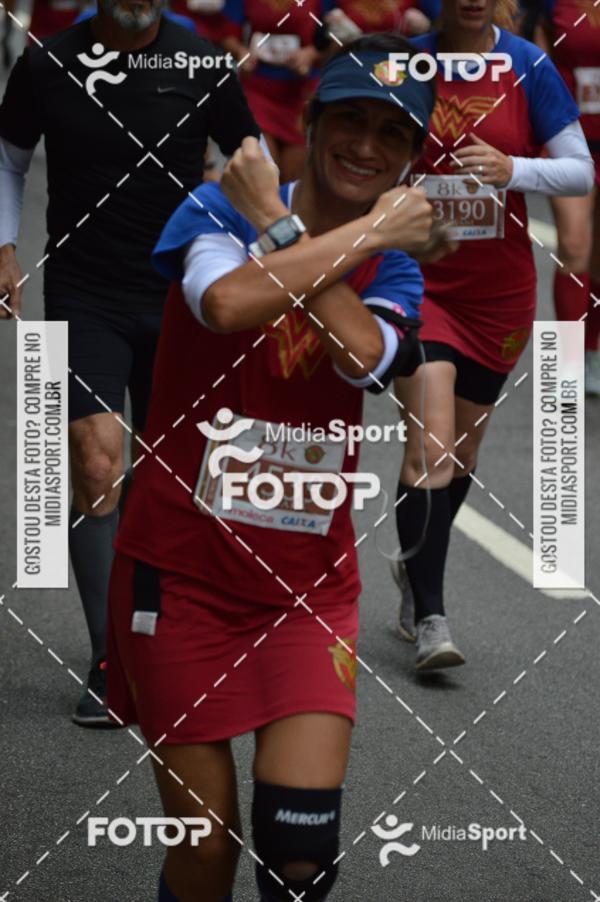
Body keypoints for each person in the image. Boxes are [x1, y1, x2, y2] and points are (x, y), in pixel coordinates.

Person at [106, 33, 451, 902]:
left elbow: (364, 355)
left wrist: (315, 231)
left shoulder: (395, 263)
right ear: (311, 120)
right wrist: (303, 222)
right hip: (179, 576)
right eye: (349, 120)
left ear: (411, 153)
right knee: (206, 851)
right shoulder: (215, 209)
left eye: (392, 133)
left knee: (300, 855)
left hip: (306, 590)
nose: (367, 146)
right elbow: (223, 303)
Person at [0, 0, 259, 726]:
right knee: (95, 459)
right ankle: (111, 657)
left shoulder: (203, 62)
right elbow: (9, 157)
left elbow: (252, 163)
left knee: (175, 476)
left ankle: (169, 633)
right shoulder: (49, 62)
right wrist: (4, 245)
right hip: (85, 290)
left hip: (181, 290)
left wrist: (265, 264)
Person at [390, 0, 594, 671]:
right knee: (431, 449)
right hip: (420, 283)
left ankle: (415, 568)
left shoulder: (528, 64)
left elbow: (579, 170)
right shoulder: (403, 61)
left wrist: (515, 171)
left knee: (463, 453)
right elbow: (358, 148)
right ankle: (431, 616)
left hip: (497, 295)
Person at [538, 0, 600, 394]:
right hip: (570, 136)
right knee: (574, 244)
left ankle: (591, 353)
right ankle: (567, 365)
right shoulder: (550, 4)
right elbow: (533, 58)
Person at [219, 0, 328, 182]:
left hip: (301, 94)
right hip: (258, 91)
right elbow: (228, 37)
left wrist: (311, 54)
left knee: (295, 178)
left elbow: (335, 38)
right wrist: (242, 53)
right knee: (262, 173)